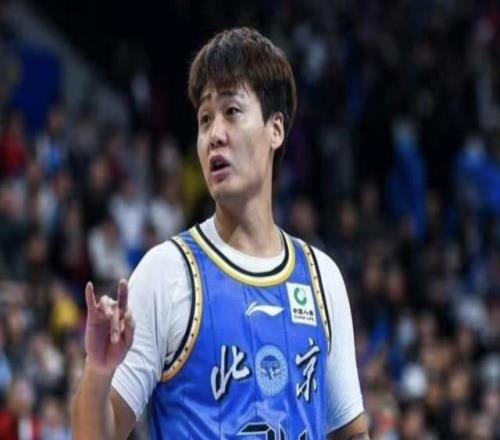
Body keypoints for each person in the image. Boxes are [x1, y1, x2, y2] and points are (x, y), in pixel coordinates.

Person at [72, 27, 369, 439]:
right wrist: (99, 371)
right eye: (205, 119)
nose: (214, 135)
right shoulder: (166, 273)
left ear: (276, 129)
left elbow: (352, 433)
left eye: (231, 111)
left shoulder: (323, 278)